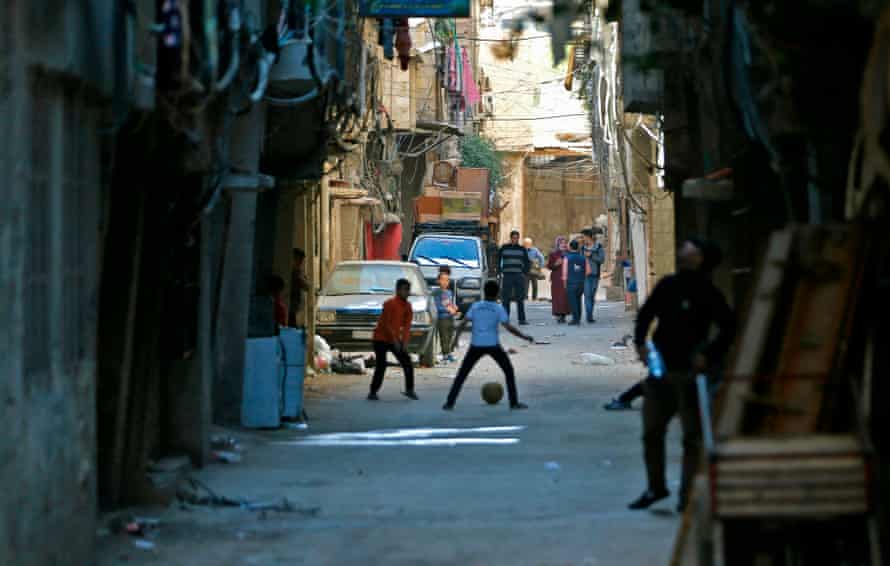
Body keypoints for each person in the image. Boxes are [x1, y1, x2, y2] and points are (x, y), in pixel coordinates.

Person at [628, 239, 735, 512]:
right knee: (652, 431)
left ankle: (686, 496)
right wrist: (640, 343)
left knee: (692, 438)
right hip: (660, 370)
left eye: (691, 249)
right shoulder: (668, 285)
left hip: (690, 373)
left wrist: (708, 355)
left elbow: (728, 328)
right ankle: (656, 487)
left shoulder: (708, 292)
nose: (683, 251)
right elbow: (646, 314)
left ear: (701, 258)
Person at [443, 281, 532, 410]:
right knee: (508, 371)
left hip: (476, 345)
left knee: (462, 374)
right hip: (492, 345)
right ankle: (514, 403)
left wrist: (455, 340)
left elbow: (462, 323)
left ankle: (449, 403)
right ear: (497, 294)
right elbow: (509, 327)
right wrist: (524, 336)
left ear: (484, 292)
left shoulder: (476, 306)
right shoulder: (498, 308)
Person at [368, 279, 419, 401]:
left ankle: (410, 390)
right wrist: (395, 340)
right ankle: (373, 391)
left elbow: (407, 326)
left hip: (394, 338)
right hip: (380, 338)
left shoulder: (408, 306)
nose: (407, 292)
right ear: (397, 290)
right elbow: (386, 324)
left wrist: (404, 343)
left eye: (408, 290)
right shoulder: (390, 303)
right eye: (404, 290)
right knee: (381, 365)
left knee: (407, 362)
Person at [498, 230, 530, 325]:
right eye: (513, 238)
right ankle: (505, 319)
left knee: (520, 298)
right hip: (507, 275)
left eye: (517, 238)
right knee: (506, 298)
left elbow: (527, 262)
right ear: (510, 238)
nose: (515, 240)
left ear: (518, 239)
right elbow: (498, 259)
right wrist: (499, 271)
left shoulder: (522, 249)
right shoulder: (504, 248)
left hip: (518, 275)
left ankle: (522, 319)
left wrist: (524, 273)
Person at [433, 269, 459, 362]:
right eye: (443, 280)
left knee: (450, 335)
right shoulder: (437, 292)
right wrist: (447, 310)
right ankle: (445, 354)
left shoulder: (449, 293)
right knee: (444, 336)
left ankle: (449, 353)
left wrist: (454, 308)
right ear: (438, 281)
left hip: (450, 317)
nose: (445, 282)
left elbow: (449, 304)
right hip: (442, 318)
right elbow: (437, 306)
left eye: (447, 280)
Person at [581, 228, 606, 323]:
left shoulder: (598, 247)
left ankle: (590, 313)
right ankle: (589, 316)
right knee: (587, 295)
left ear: (590, 237)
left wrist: (591, 256)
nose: (583, 239)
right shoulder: (582, 248)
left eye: (584, 237)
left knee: (592, 295)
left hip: (595, 274)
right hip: (584, 276)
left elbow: (602, 260)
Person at [562, 240, 587, 325]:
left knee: (572, 301)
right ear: (578, 247)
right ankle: (578, 317)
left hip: (571, 282)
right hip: (581, 282)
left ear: (570, 247)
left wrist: (564, 283)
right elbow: (587, 271)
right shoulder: (583, 258)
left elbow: (564, 272)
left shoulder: (567, 258)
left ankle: (575, 319)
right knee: (578, 300)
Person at [547, 236, 571, 323]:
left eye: (565, 243)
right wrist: (556, 264)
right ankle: (558, 314)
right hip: (556, 278)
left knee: (565, 297)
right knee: (557, 297)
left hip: (567, 278)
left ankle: (563, 315)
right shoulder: (553, 254)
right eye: (561, 243)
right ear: (558, 244)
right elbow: (549, 266)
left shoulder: (569, 253)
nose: (563, 245)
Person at [288, 248, 310, 327]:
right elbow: (306, 286)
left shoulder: (297, 271)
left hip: (294, 306)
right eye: (299, 260)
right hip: (291, 305)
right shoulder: (294, 272)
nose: (301, 263)